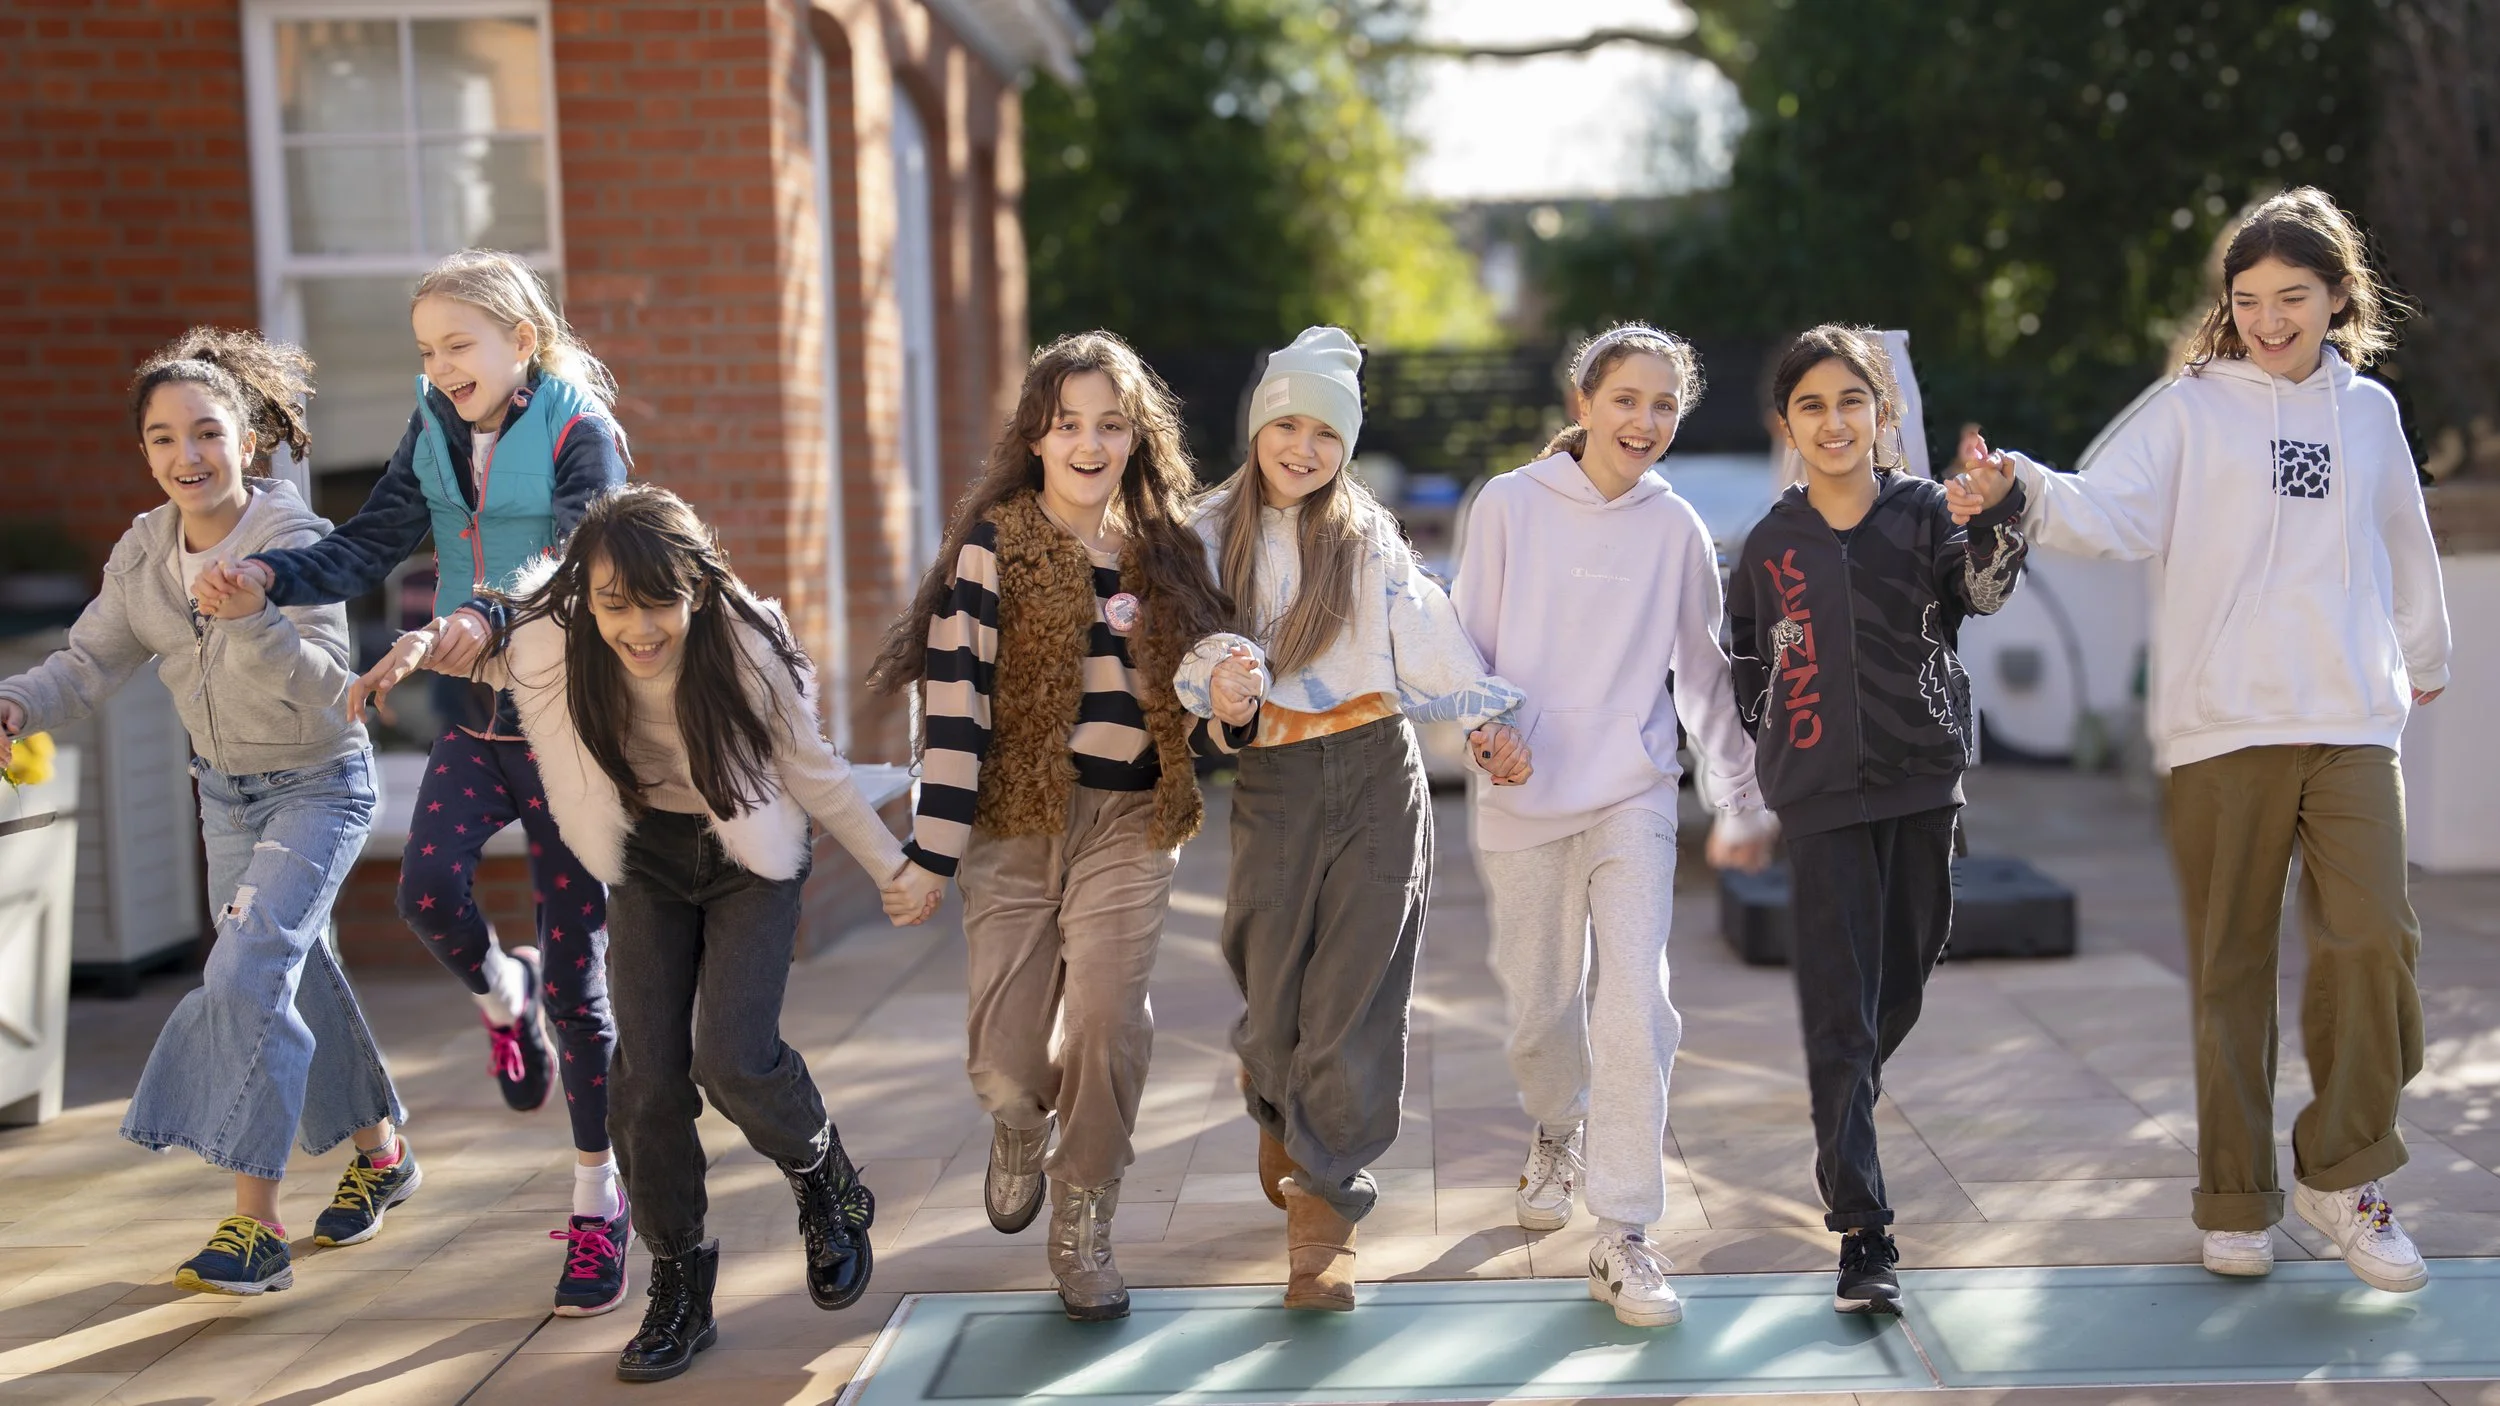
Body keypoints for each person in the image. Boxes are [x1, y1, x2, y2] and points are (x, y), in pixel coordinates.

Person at [1949, 187, 2449, 1294]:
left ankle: (2342, 1170)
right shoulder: (2188, 409)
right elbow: (2112, 512)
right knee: (2230, 971)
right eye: (2249, 299)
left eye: (2293, 298)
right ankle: (2234, 1200)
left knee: (2375, 939)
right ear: (2228, 306)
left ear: (2336, 299)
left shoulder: (2368, 414)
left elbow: (2404, 537)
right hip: (2222, 724)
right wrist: (2017, 484)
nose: (2270, 319)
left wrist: (2426, 655)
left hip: (2350, 717)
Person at [359, 484, 927, 1381]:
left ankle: (824, 1179)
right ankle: (680, 1277)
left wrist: (892, 868)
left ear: (696, 588)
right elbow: (488, 653)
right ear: (589, 597)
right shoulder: (562, 636)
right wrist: (423, 646)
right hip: (648, 863)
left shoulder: (745, 648)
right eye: (615, 605)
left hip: (749, 855)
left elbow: (815, 773)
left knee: (734, 1058)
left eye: (657, 603)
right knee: (645, 1079)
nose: (638, 628)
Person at [194, 249, 634, 1314]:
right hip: (478, 719)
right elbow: (368, 544)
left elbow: (578, 551)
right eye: (426, 351)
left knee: (581, 977)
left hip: (570, 724)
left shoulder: (585, 435)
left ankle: (596, 1199)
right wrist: (268, 574)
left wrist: (481, 614)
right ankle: (501, 991)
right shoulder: (434, 426)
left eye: (458, 346)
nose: (440, 367)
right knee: (425, 887)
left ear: (519, 341)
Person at [0, 329, 408, 1295]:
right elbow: (87, 662)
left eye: (208, 433)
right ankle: (384, 1156)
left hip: (320, 785)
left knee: (246, 969)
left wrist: (253, 620)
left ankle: (252, 1224)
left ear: (249, 441)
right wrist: (18, 701)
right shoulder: (144, 552)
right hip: (225, 799)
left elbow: (329, 689)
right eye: (164, 439)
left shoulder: (295, 544)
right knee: (291, 976)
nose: (188, 457)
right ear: (144, 452)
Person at [869, 331, 1255, 1322]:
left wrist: (1232, 698)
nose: (1088, 442)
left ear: (1136, 438)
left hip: (1132, 816)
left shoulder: (1168, 550)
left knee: (1105, 1019)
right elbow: (953, 712)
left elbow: (1206, 686)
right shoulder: (993, 545)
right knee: (1001, 1059)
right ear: (1036, 436)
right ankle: (1016, 1123)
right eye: (1068, 422)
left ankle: (1084, 1213)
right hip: (1009, 820)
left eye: (1110, 424)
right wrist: (928, 851)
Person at [1183, 326, 1529, 1311]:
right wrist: (1223, 687)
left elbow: (1426, 631)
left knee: (1357, 992)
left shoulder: (1364, 532)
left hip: (1378, 767)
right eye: (1285, 423)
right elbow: (1184, 649)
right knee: (1271, 981)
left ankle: (1322, 1215)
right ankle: (1278, 1104)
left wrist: (1489, 718)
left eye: (1324, 432)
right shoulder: (1207, 528)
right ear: (1257, 426)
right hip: (1277, 780)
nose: (1303, 446)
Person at [1454, 322, 1778, 1329]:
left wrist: (1737, 795)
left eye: (1662, 404)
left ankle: (1626, 1229)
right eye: (1625, 398)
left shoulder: (1675, 528)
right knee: (1542, 1011)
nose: (1643, 420)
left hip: (1633, 791)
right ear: (1583, 401)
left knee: (1636, 996)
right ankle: (1559, 1124)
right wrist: (1485, 729)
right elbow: (1463, 643)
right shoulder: (1508, 505)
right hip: (1523, 797)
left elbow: (1705, 675)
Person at [1729, 323, 2027, 1314]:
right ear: (1787, 422)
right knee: (1836, 1015)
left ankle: (1848, 1082)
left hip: (1920, 787)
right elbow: (1743, 664)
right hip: (1816, 804)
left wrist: (1996, 514)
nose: (1832, 420)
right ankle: (1864, 1230)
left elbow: (1979, 593)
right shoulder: (1768, 544)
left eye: (1850, 400)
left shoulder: (1920, 517)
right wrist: (1773, 759)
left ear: (1881, 412)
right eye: (1810, 404)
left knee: (1900, 978)